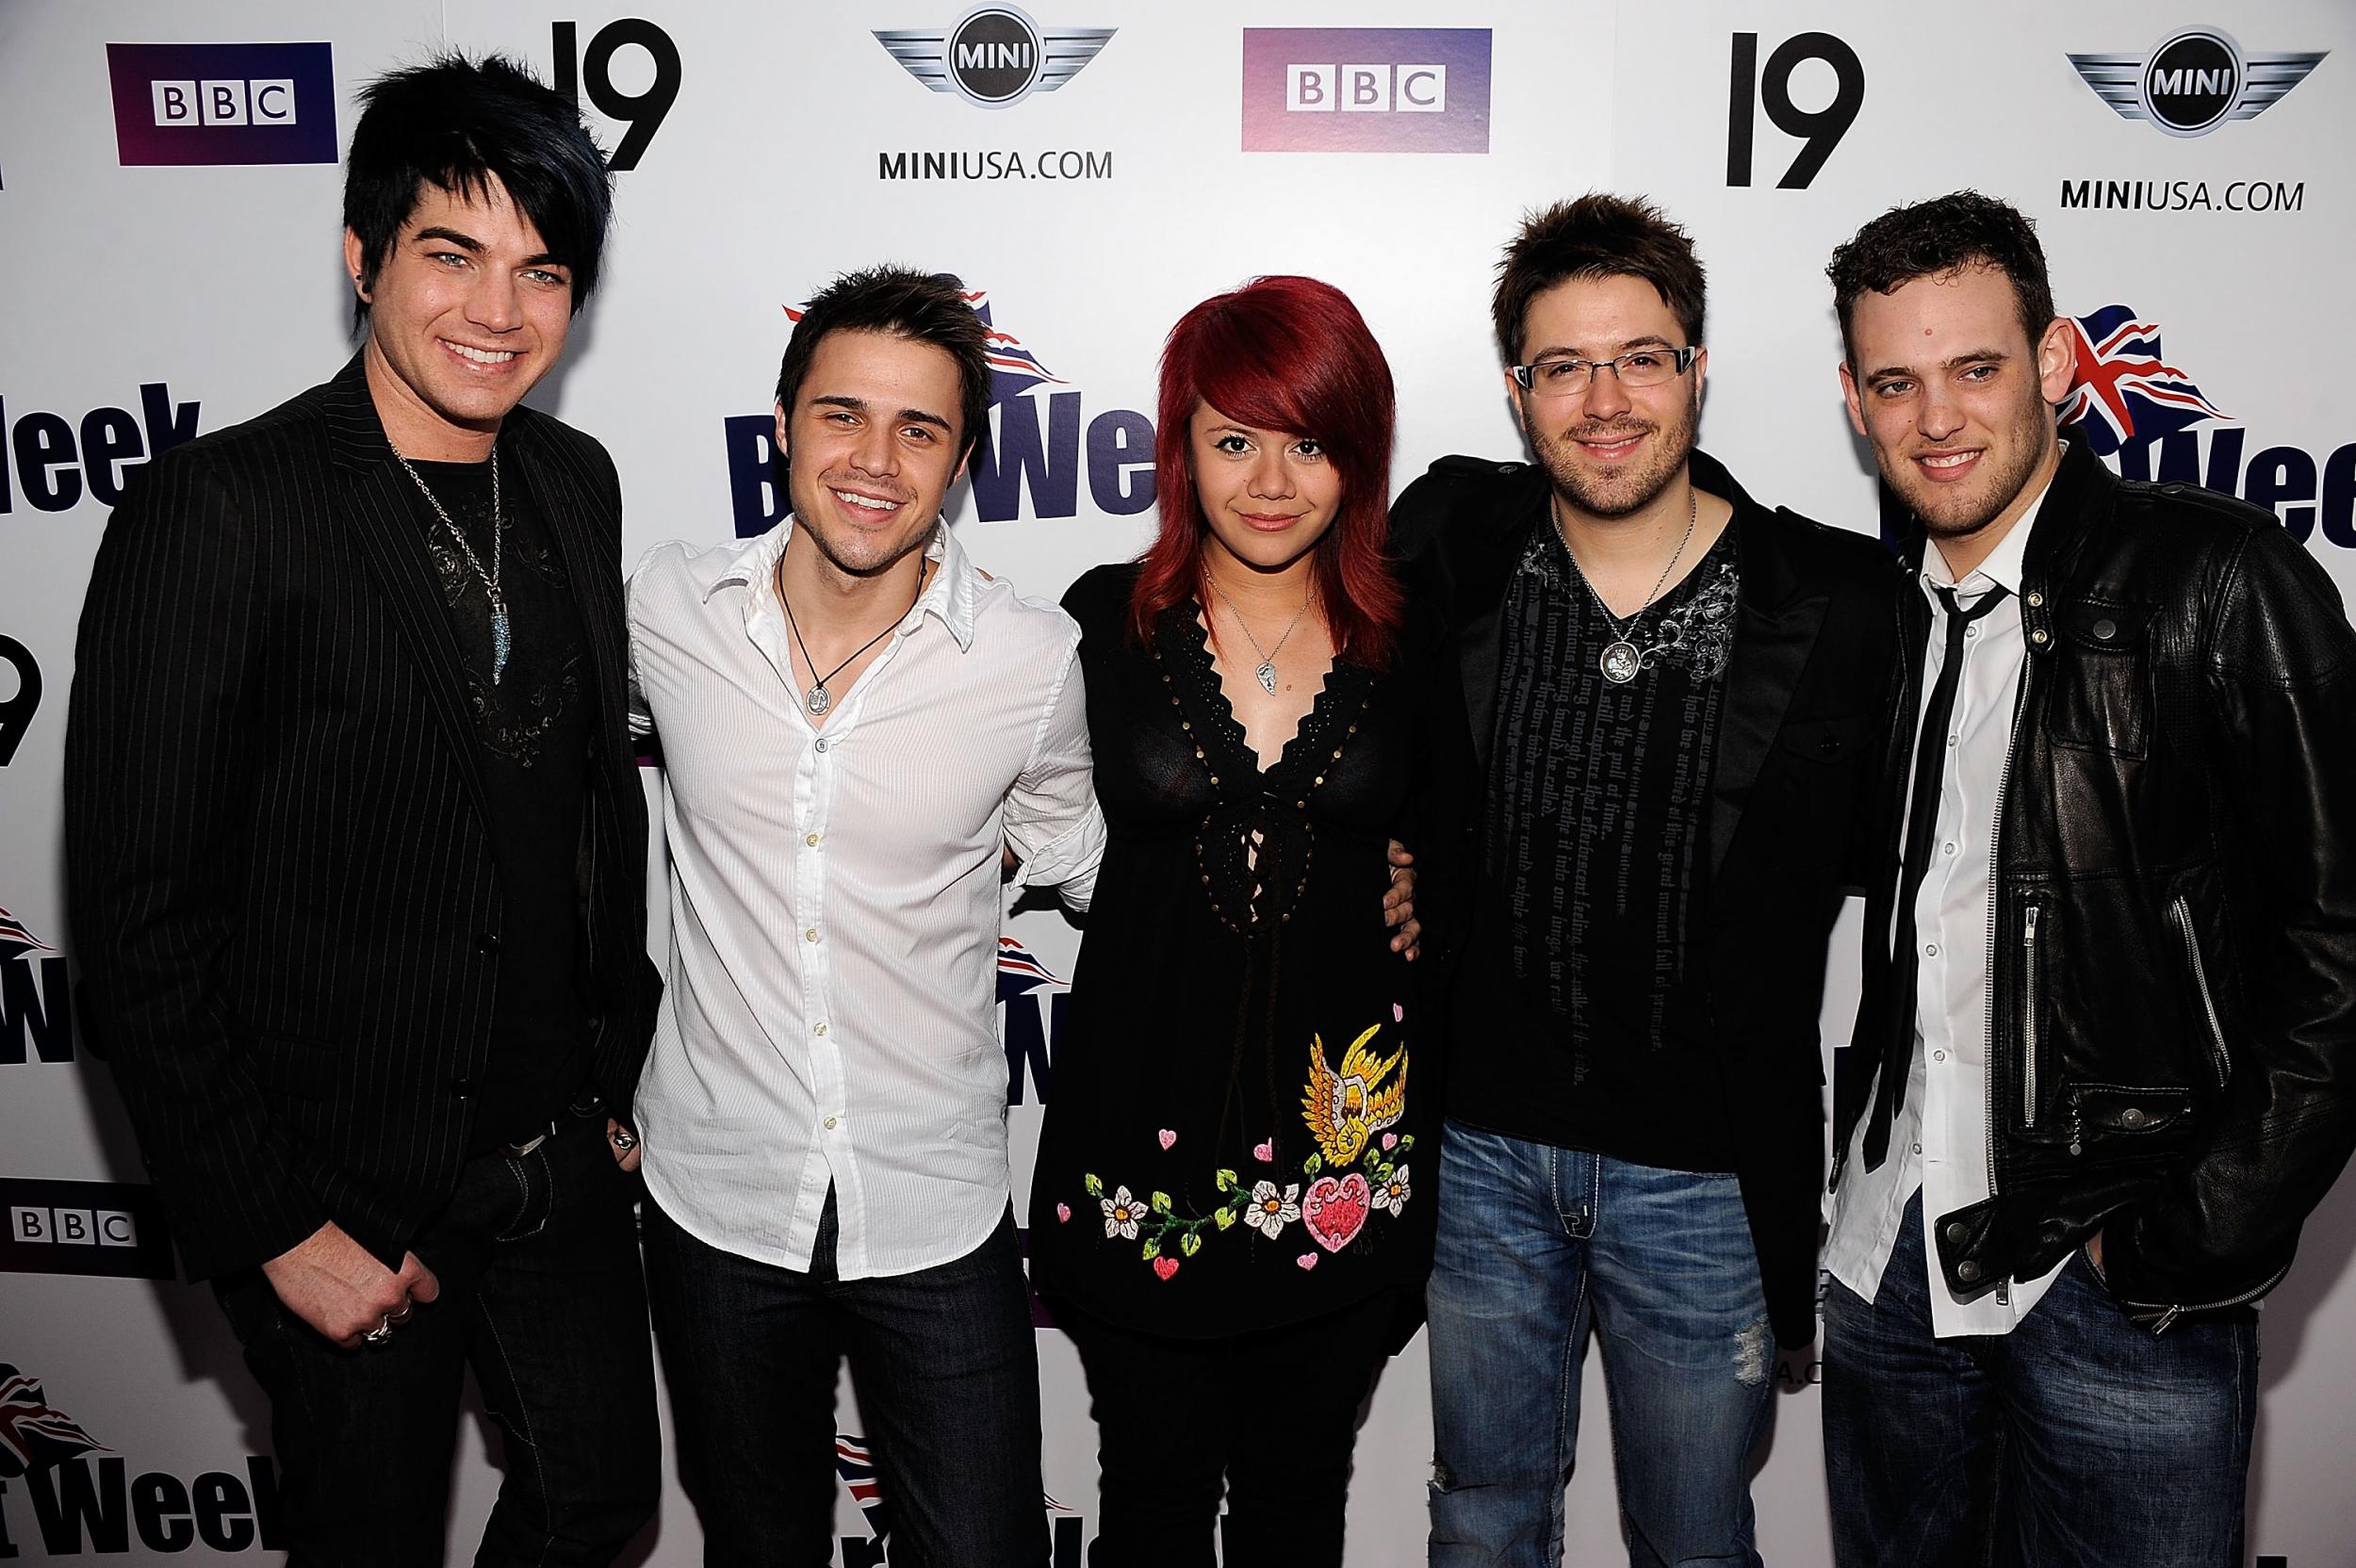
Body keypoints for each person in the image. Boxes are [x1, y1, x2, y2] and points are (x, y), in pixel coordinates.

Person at [64, 55, 661, 1565]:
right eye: (450, 255)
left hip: (558, 1158)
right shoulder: (224, 509)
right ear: (362, 255)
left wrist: (614, 1072)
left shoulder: (575, 479)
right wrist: (274, 1228)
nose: (498, 312)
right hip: (347, 1195)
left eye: (542, 271)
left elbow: (586, 806)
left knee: (599, 1513)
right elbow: (140, 918)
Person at [1820, 189, 2356, 1567]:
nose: (1938, 418)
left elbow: (2343, 944)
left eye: (1976, 369)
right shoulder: (1886, 623)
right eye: (1897, 381)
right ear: (1855, 402)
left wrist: (2190, 1235)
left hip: (2112, 1283)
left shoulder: (2220, 581)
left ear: (2056, 365)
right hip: (1890, 1270)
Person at [1392, 193, 1899, 1568]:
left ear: (1697, 368)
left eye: (1642, 358)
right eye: (1563, 367)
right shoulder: (1453, 544)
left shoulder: (1839, 603)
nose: (1604, 401)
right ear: (1517, 391)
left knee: (1693, 1539)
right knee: (1482, 1519)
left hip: (1706, 1181)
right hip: (1483, 1154)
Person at [625, 266, 1098, 1566]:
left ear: (961, 462)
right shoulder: (666, 611)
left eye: (921, 429)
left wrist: (1350, 883)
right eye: (841, 415)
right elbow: (529, 790)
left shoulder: (1026, 662)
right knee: (757, 1544)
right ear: (781, 424)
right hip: (715, 1195)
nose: (874, 460)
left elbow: (1092, 862)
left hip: (933, 1203)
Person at [1026, 275, 1466, 1567]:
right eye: (1234, 442)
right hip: (1137, 1162)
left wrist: (1416, 888)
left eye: (1311, 443)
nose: (1271, 482)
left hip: (1344, 1173)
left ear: (1358, 457)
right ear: (1182, 448)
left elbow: (1458, 857)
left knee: (1295, 1513)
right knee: (1150, 1513)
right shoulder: (1101, 623)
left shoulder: (1415, 631)